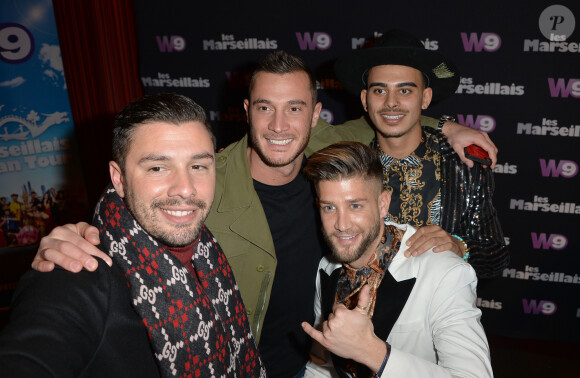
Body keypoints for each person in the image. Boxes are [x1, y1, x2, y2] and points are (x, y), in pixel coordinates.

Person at [29, 51, 497, 376]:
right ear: (247, 112)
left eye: (295, 108)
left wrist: (449, 126)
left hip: (312, 364)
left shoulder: (330, 148)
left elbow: (390, 116)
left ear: (315, 116)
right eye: (266, 109)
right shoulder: (203, 187)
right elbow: (144, 213)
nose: (279, 126)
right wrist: (82, 236)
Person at [0, 93, 265, 377]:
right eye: (157, 168)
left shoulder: (209, 250)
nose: (185, 189)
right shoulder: (74, 275)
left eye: (198, 166)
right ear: (119, 178)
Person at [326, 29, 508, 278]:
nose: (391, 102)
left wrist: (459, 246)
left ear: (425, 98)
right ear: (365, 99)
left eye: (405, 91)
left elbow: (496, 255)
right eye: (380, 91)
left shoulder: (463, 164)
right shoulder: (350, 167)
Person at [301, 141, 492, 377]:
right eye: (329, 208)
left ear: (383, 204)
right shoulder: (328, 267)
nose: (341, 224)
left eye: (355, 205)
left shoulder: (445, 273)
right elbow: (323, 365)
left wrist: (371, 351)